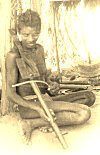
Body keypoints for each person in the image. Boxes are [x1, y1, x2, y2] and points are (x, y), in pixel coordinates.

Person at [6, 9, 95, 144]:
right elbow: (10, 94)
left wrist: (51, 84)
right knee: (84, 113)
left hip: (46, 98)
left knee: (89, 97)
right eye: (26, 35)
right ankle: (31, 123)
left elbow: (43, 79)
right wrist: (37, 108)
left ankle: (50, 117)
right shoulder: (13, 56)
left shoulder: (39, 49)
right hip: (29, 106)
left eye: (35, 34)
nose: (31, 39)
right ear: (19, 33)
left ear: (39, 31)